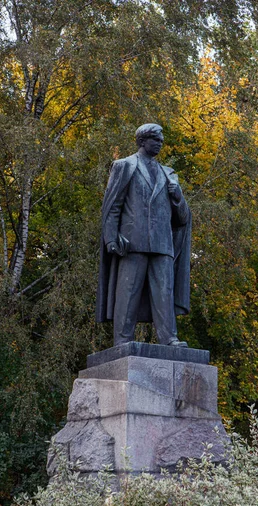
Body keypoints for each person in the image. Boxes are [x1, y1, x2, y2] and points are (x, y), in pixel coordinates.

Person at [96, 123, 191, 347]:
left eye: (161, 140)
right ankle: (123, 340)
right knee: (127, 293)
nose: (160, 143)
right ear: (142, 141)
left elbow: (184, 219)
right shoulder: (124, 166)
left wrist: (177, 196)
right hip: (132, 242)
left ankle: (169, 338)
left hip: (162, 244)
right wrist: (111, 238)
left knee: (164, 294)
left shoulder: (169, 175)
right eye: (155, 139)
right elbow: (112, 206)